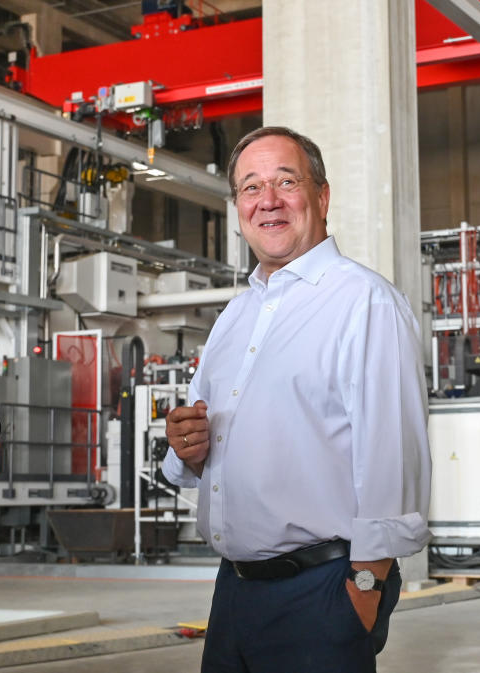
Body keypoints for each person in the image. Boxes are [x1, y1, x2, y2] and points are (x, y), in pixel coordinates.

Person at [163, 126, 431, 672]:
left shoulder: (364, 303)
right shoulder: (236, 316)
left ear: (322, 196)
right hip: (234, 593)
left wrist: (362, 593)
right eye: (251, 187)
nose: (268, 201)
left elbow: (391, 460)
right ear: (237, 206)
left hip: (323, 593)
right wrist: (186, 446)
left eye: (287, 181)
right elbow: (202, 435)